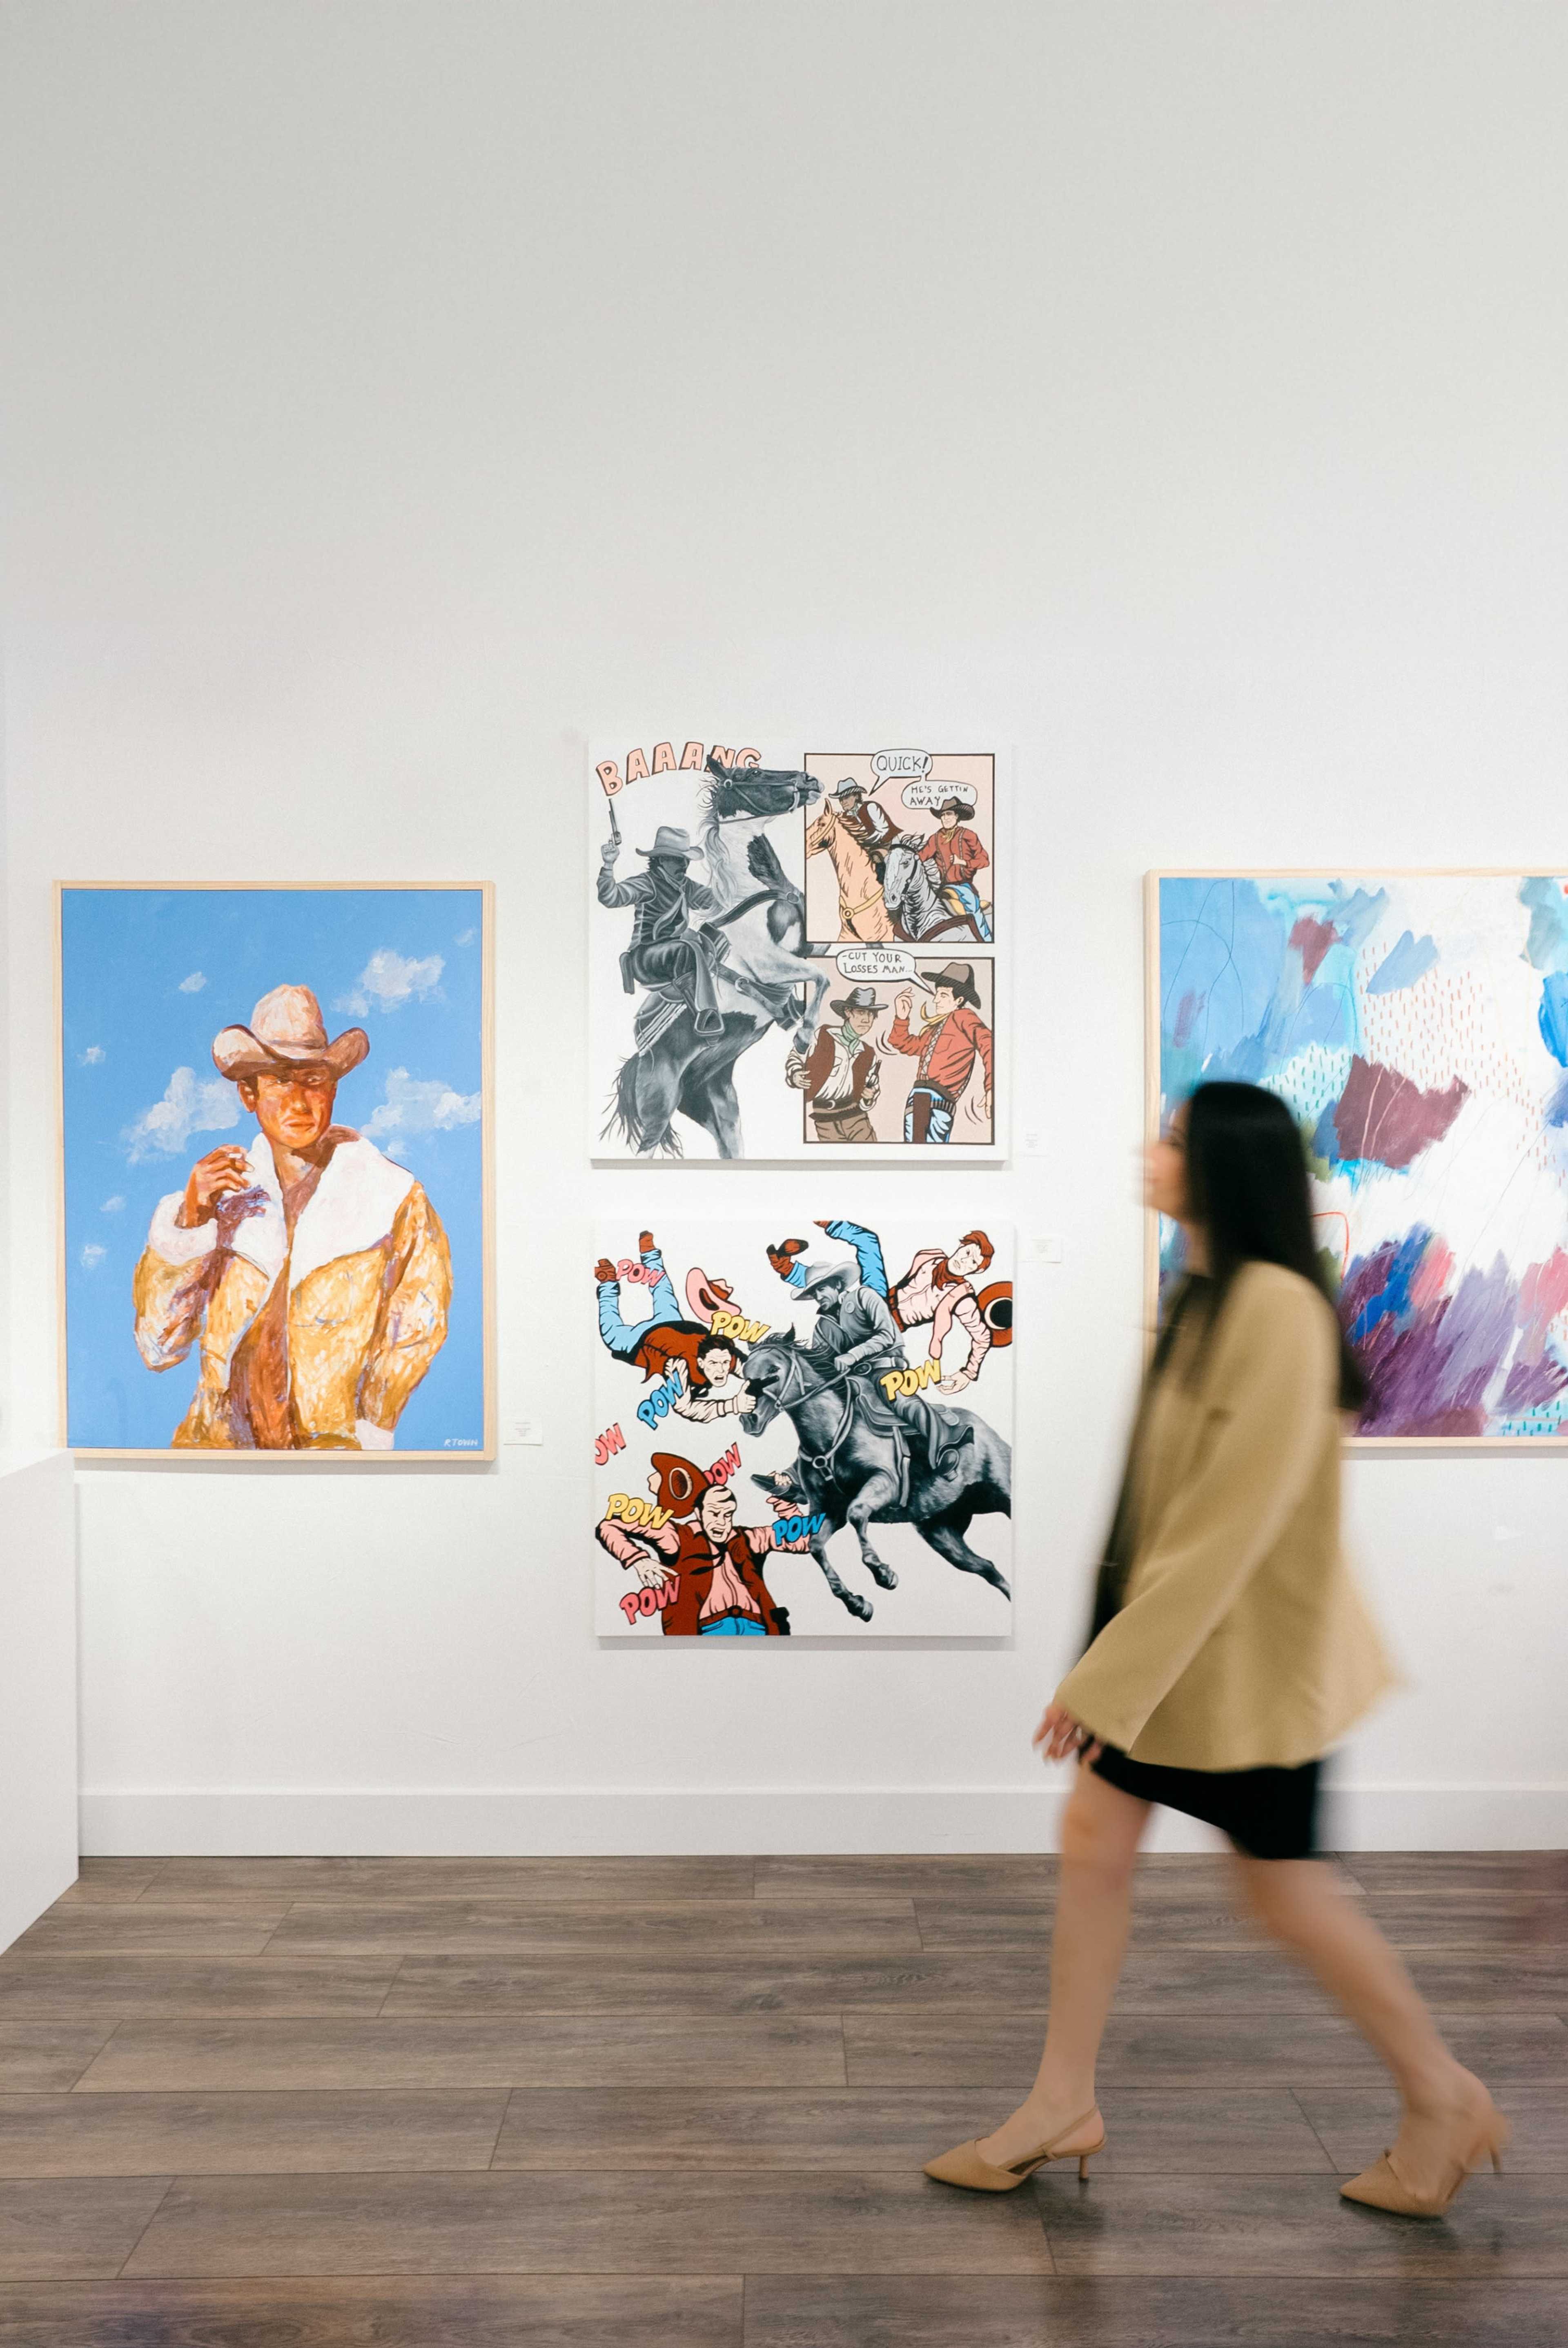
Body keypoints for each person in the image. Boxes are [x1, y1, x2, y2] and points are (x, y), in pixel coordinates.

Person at [924, 1081, 1508, 2217]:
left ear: (1223, 1166)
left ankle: (1444, 2094)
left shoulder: (1278, 1309)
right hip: (1184, 1645)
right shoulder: (1206, 1291)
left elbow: (1231, 1522)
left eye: (1173, 1139)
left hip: (1245, 1663)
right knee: (1097, 1830)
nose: (1151, 1152)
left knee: (1283, 1890)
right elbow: (1158, 1499)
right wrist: (1108, 1641)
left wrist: (1110, 1673)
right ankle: (1061, 2099)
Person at [132, 983, 452, 1450]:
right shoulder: (222, 1197)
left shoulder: (394, 1197)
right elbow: (160, 1347)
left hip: (331, 1459)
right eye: (281, 1080)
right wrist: (193, 1219)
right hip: (217, 1456)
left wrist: (371, 1428)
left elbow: (418, 1326)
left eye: (313, 1081)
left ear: (334, 1088)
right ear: (249, 1093)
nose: (299, 1102)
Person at [597, 823, 725, 1035]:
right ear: (661, 859)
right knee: (685, 949)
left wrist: (732, 881)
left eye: (685, 860)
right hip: (645, 958)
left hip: (673, 953)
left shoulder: (686, 885)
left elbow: (716, 902)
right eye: (677, 859)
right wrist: (608, 865)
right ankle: (705, 1017)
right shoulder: (647, 883)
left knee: (715, 937)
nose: (684, 865)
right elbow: (611, 897)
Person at [886, 963, 993, 1142]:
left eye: (943, 995)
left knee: (924, 1156)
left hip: (937, 1102)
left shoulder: (964, 1017)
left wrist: (991, 1086)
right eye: (937, 994)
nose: (936, 1000)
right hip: (919, 1100)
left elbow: (989, 1043)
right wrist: (902, 1018)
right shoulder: (935, 1030)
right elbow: (907, 1045)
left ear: (959, 1001)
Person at [785, 984, 882, 1143]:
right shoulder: (822, 1035)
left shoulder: (869, 1054)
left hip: (856, 1118)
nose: (867, 1020)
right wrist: (795, 1074)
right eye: (861, 1012)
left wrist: (869, 1097)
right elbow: (797, 1055)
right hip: (825, 1120)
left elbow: (871, 1091)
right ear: (848, 1013)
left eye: (871, 1015)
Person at [918, 793, 992, 939]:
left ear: (957, 816)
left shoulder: (968, 835)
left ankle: (985, 940)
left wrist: (965, 863)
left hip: (963, 886)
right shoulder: (936, 838)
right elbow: (922, 855)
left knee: (973, 909)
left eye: (949, 814)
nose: (945, 818)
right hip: (941, 887)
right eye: (943, 815)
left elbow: (985, 860)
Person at [830, 779, 902, 877]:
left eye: (846, 797)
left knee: (879, 860)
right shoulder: (846, 817)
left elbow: (883, 830)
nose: (843, 802)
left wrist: (865, 843)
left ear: (856, 796)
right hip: (868, 849)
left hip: (889, 844)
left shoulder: (870, 807)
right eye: (841, 800)